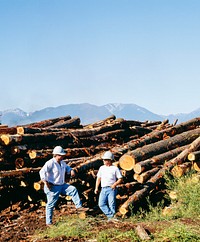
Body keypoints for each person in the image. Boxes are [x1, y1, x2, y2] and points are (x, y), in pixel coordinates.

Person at [39, 145, 87, 226]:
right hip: (52, 186)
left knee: (73, 190)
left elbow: (67, 168)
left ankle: (79, 207)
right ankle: (48, 222)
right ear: (56, 155)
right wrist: (45, 182)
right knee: (50, 205)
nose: (62, 156)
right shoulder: (50, 163)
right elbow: (42, 172)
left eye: (62, 155)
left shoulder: (62, 163)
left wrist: (71, 170)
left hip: (61, 185)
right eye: (60, 155)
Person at [94, 151, 123, 221]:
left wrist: (114, 185)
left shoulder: (115, 168)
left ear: (110, 160)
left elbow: (120, 178)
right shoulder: (101, 168)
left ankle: (111, 218)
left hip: (111, 188)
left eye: (105, 160)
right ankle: (111, 216)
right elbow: (98, 178)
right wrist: (96, 188)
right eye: (103, 159)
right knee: (101, 204)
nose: (104, 161)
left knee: (111, 204)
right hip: (103, 189)